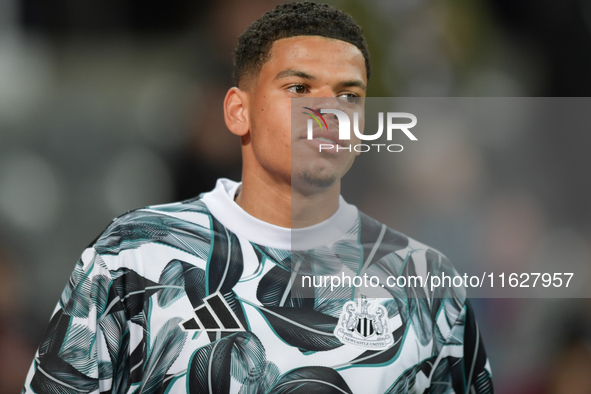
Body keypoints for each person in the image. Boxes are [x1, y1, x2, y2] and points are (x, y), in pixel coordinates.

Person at [22, 2, 493, 393]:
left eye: (349, 95)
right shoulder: (134, 256)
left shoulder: (428, 282)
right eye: (298, 88)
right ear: (237, 111)